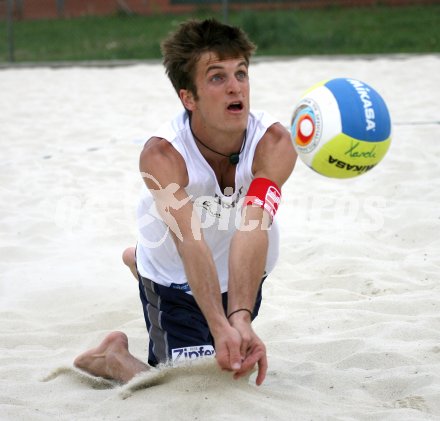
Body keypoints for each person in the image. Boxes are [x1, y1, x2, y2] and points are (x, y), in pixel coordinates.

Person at [74, 18, 297, 386]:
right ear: (188, 97)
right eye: (216, 77)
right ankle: (112, 355)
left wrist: (239, 318)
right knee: (189, 385)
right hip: (175, 274)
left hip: (241, 270)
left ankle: (136, 262)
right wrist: (217, 322)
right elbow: (189, 241)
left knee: (228, 366)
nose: (234, 87)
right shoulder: (161, 156)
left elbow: (253, 225)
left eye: (240, 73)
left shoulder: (273, 143)